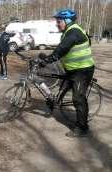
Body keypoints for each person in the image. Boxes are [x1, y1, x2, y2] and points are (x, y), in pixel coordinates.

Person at [39, 9, 95, 137]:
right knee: (62, 90)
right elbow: (64, 47)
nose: (56, 24)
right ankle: (56, 103)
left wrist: (47, 60)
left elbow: (62, 49)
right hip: (72, 69)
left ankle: (82, 127)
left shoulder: (74, 32)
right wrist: (47, 56)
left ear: (67, 21)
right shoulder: (69, 32)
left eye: (59, 21)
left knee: (78, 98)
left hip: (82, 71)